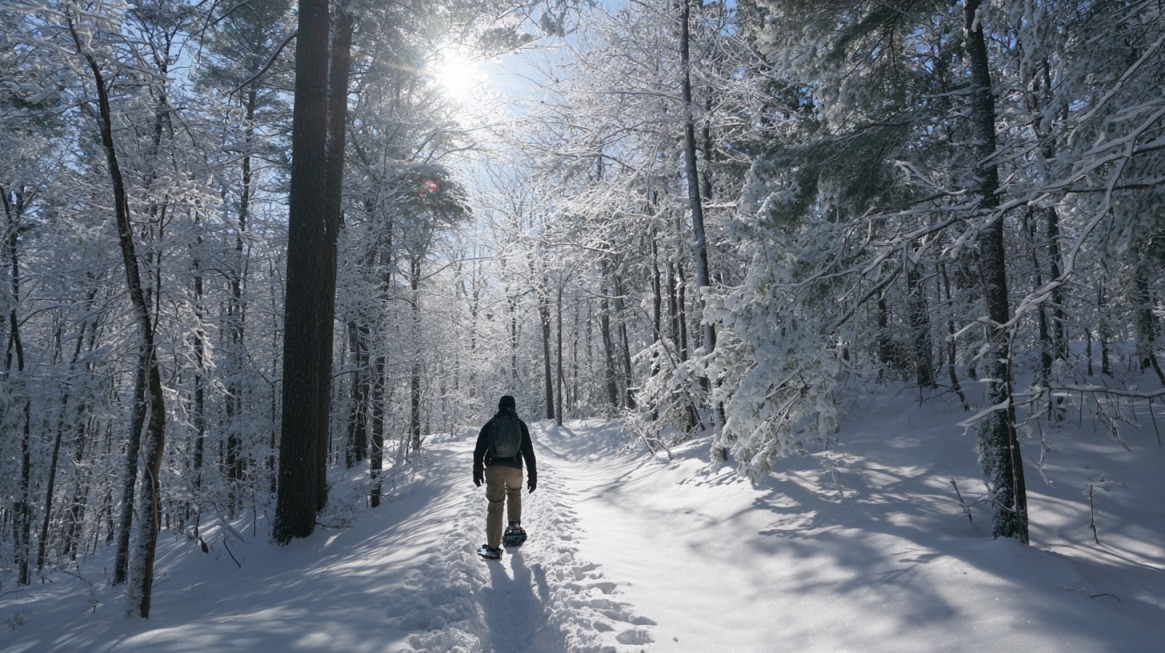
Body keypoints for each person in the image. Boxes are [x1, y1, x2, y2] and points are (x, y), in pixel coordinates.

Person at [473, 395, 537, 559]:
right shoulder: (520, 425)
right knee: (514, 493)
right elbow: (529, 452)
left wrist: (477, 469)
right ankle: (514, 530)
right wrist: (532, 476)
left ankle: (493, 547)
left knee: (495, 504)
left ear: (499, 407)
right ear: (514, 407)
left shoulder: (491, 424)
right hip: (514, 468)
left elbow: (479, 449)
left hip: (494, 467)